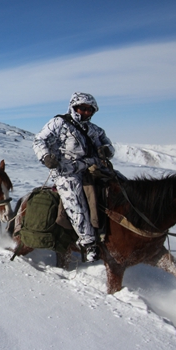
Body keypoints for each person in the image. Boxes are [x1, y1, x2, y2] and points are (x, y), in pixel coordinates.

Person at [32, 92, 114, 262]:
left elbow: (109, 146)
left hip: (93, 167)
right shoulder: (59, 123)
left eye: (89, 110)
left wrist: (106, 151)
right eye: (82, 108)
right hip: (66, 170)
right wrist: (46, 157)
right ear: (73, 107)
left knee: (120, 184)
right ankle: (88, 242)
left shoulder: (95, 130)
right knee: (75, 200)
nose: (85, 112)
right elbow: (40, 140)